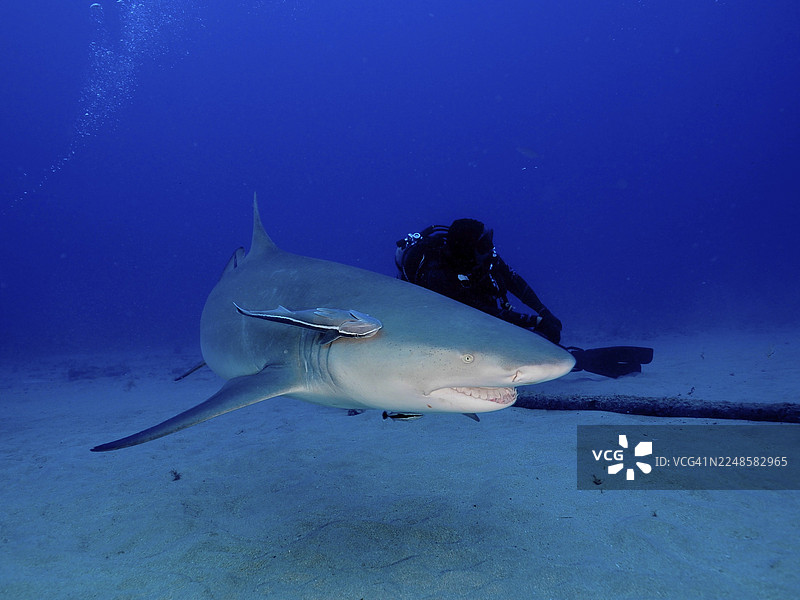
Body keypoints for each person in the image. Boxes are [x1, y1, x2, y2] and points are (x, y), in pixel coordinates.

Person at [395, 218, 652, 378]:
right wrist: (537, 323)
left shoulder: (485, 258)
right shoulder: (439, 276)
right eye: (484, 246)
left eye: (489, 242)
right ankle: (572, 360)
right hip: (451, 317)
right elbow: (486, 314)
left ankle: (571, 359)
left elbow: (514, 281)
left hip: (477, 306)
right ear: (467, 250)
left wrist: (544, 312)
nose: (491, 250)